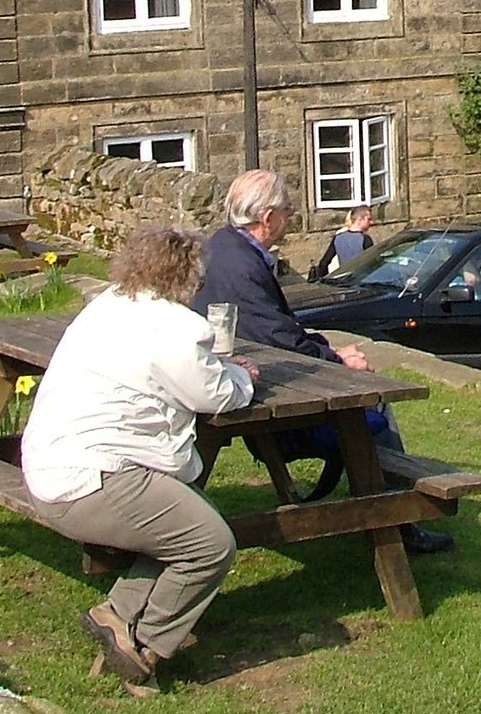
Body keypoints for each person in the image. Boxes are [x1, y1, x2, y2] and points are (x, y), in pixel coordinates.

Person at [21, 225, 261, 696]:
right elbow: (215, 393)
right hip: (90, 477)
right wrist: (244, 376)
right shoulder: (175, 327)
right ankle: (144, 647)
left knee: (184, 517)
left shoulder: (108, 305)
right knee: (210, 544)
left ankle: (117, 617)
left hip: (51, 462)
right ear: (186, 278)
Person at [194, 170, 454, 554]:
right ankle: (398, 524)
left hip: (239, 377)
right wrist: (334, 358)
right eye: (288, 211)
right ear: (268, 218)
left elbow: (275, 331)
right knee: (372, 403)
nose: (291, 218)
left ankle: (383, 503)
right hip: (264, 399)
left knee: (364, 397)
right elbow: (277, 337)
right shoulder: (241, 266)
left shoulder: (222, 246)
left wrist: (328, 352)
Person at [311, 204, 373, 280]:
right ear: (359, 220)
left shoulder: (338, 237)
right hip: (362, 282)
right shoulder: (365, 239)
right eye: (368, 219)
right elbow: (372, 265)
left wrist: (325, 281)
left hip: (344, 281)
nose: (371, 222)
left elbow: (323, 263)